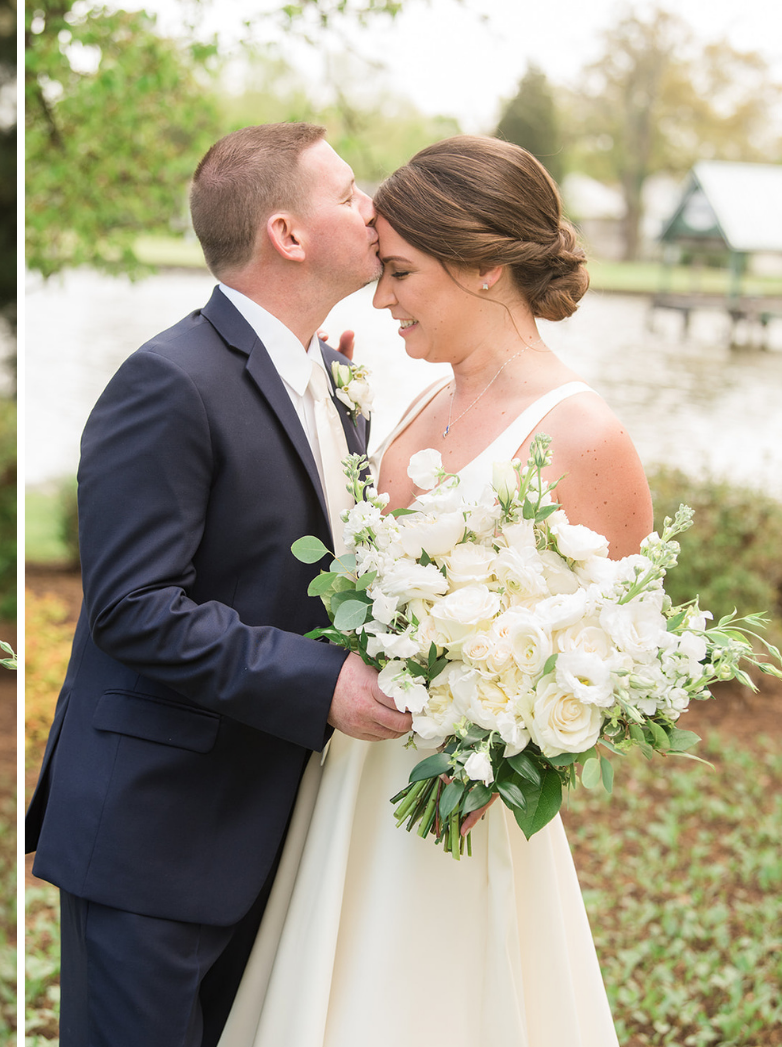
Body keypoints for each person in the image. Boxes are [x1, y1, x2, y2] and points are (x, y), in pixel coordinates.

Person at [219, 135, 647, 1047]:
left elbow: (620, 656)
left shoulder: (581, 434)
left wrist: (500, 744)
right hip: (348, 780)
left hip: (459, 807)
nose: (380, 300)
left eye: (401, 274)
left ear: (487, 267)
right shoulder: (416, 403)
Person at [24, 122, 414, 1047]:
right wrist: (326, 685)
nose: (374, 208)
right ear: (287, 233)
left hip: (280, 824)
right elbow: (133, 608)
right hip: (157, 831)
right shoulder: (169, 381)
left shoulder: (333, 373)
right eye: (351, 192)